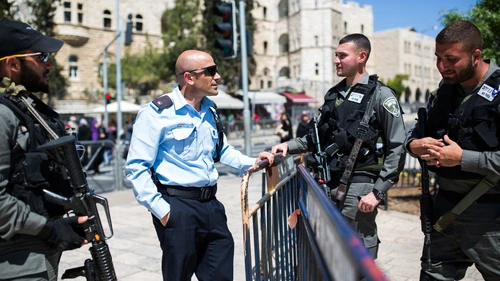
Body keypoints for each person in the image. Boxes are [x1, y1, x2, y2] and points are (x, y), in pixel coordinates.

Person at [125, 50, 275, 281]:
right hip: (178, 207)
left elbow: (222, 150)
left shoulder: (210, 109)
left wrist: (254, 162)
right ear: (189, 78)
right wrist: (164, 212)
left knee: (220, 275)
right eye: (211, 71)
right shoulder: (156, 113)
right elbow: (136, 168)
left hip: (212, 206)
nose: (218, 77)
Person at [272, 33, 406, 259]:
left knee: (358, 250)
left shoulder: (381, 95)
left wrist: (378, 191)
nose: (336, 60)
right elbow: (316, 139)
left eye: (342, 56)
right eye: (336, 55)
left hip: (359, 187)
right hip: (328, 182)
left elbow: (397, 145)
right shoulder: (334, 94)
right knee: (330, 249)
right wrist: (287, 145)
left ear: (362, 56)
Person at [406, 20, 500, 281]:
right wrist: (413, 145)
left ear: (476, 55)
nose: (442, 66)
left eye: (451, 59)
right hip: (444, 210)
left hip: (490, 216)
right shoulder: (445, 91)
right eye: (438, 58)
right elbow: (418, 133)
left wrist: (463, 158)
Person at [0, 21, 88, 281]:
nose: (50, 64)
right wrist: (49, 229)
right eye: (42, 57)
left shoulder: (25, 105)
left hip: (36, 252)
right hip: (16, 260)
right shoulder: (4, 114)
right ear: (12, 65)